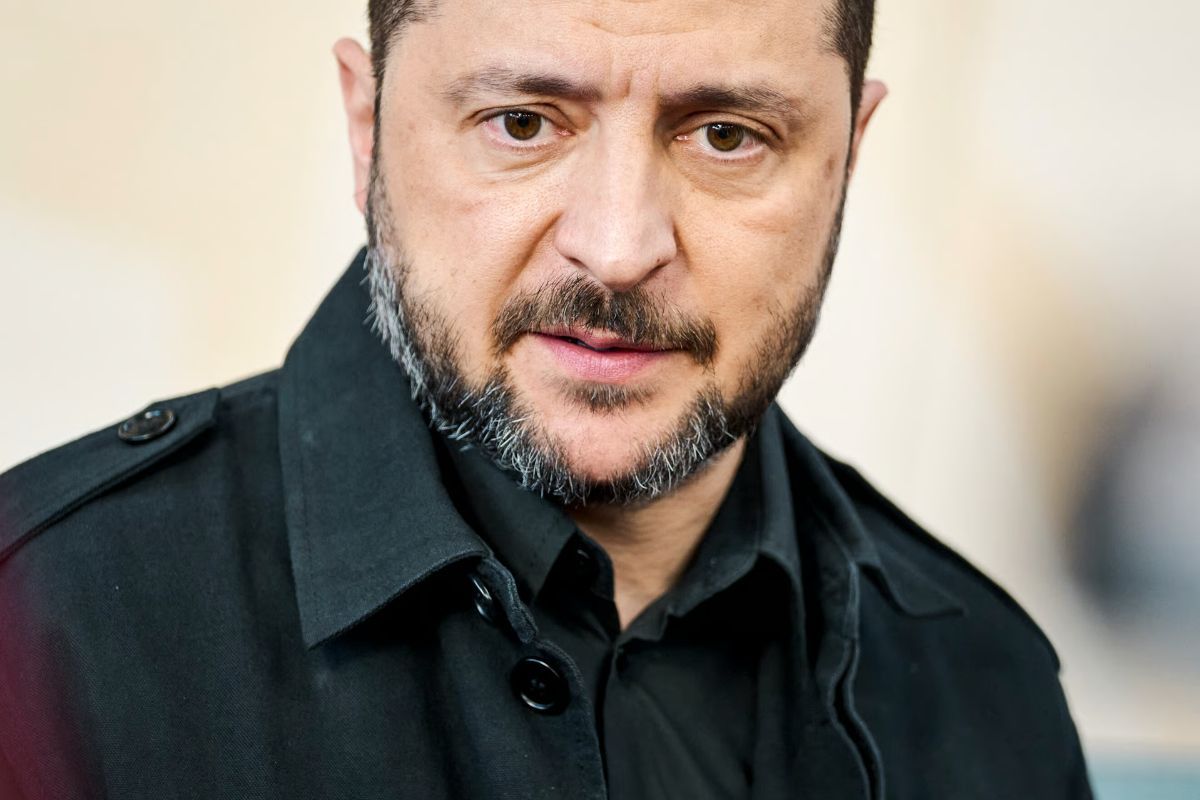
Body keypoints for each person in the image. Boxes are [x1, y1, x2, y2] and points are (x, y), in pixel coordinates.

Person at [0, 0, 1093, 797]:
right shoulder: (43, 624)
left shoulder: (987, 688)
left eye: (726, 135)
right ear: (366, 129)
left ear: (848, 159)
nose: (617, 248)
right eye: (523, 122)